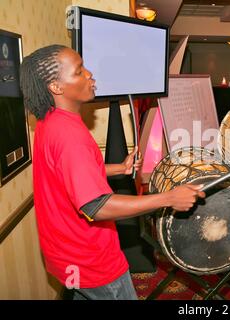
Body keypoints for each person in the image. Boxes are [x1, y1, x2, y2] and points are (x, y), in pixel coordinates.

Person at [19, 45, 205, 300]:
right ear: (56, 87)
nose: (89, 75)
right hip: (89, 260)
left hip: (64, 253)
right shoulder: (69, 135)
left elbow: (68, 174)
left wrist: (119, 168)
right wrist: (169, 198)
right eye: (79, 71)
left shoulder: (50, 119)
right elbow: (95, 205)